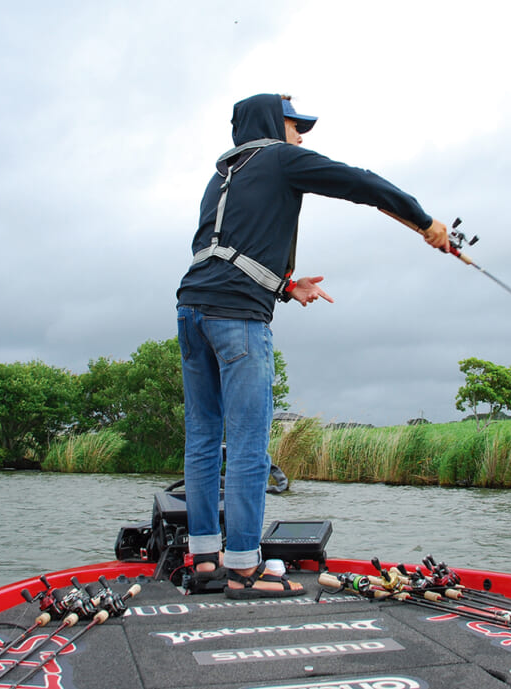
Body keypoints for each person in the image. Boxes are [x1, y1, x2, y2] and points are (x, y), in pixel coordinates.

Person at [176, 93, 449, 599]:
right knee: (250, 445)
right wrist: (425, 223)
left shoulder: (221, 177)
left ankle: (207, 563)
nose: (302, 136)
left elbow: (222, 252)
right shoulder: (280, 158)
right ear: (269, 125)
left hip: (191, 312)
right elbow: (359, 183)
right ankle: (242, 570)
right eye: (295, 125)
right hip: (237, 318)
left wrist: (285, 286)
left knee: (202, 441)